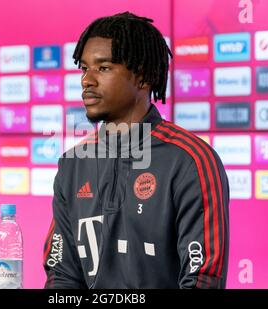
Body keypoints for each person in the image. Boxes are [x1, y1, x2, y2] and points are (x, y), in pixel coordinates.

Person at [43, 12, 229, 289]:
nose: (87, 81)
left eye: (103, 68)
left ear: (142, 77)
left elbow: (202, 280)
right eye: (84, 68)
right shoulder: (72, 164)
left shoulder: (191, 160)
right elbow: (62, 276)